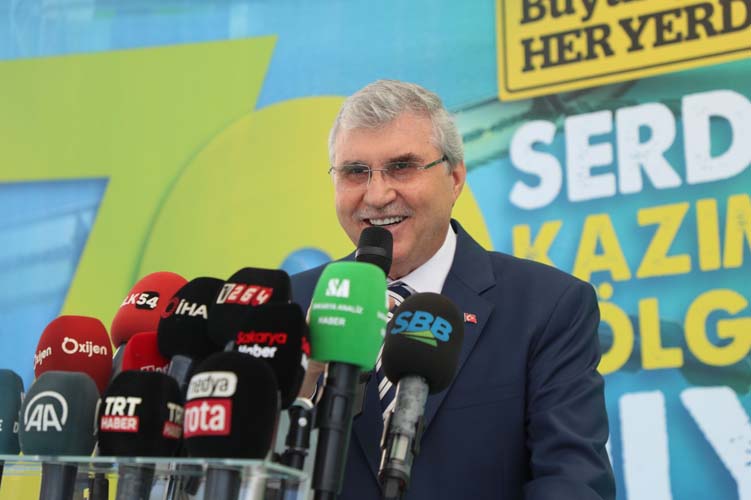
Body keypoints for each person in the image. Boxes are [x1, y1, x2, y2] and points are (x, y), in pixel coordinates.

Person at [291, 80, 615, 500]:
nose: (377, 194)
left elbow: (572, 481)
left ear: (455, 178)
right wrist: (300, 388)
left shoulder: (547, 306)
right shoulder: (293, 304)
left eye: (402, 167)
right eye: (355, 172)